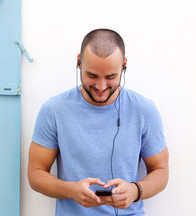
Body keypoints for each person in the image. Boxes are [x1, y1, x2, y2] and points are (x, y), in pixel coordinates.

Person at [27, 29, 169, 215]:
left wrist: (135, 191)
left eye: (110, 77)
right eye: (92, 76)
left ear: (124, 66)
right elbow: (35, 174)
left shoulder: (144, 110)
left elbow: (161, 171)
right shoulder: (54, 110)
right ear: (79, 62)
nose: (101, 87)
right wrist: (71, 190)